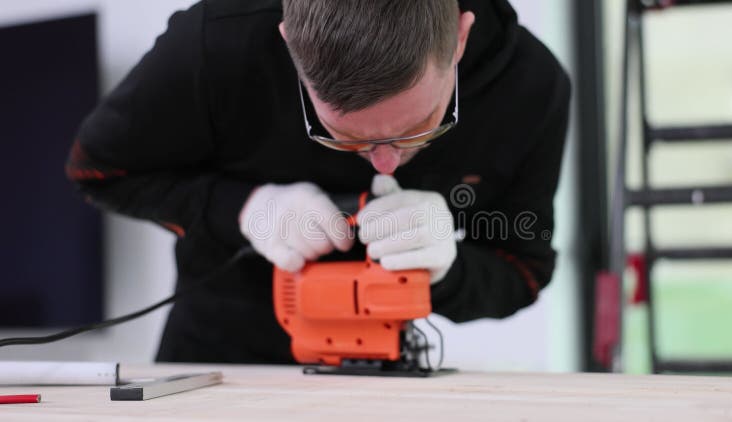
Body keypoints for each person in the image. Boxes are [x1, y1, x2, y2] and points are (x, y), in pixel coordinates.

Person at [66, 0, 571, 363]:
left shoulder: (532, 88)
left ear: (459, 39)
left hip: (388, 371)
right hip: (220, 365)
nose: (385, 166)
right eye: (344, 136)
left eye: (419, 128)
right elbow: (98, 172)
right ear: (288, 44)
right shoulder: (218, 41)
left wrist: (448, 270)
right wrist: (243, 210)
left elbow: (524, 270)